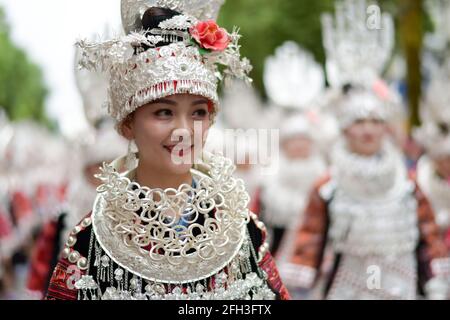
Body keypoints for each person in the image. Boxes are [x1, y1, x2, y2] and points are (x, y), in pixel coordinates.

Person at [46, 0, 289, 300]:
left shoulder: (239, 229)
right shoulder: (91, 240)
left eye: (198, 113)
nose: (184, 130)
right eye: (164, 112)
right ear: (127, 124)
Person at [285, 0, 450, 300]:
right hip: (345, 287)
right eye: (359, 121)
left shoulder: (406, 184)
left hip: (402, 286)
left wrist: (437, 284)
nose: (368, 130)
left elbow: (429, 238)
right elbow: (309, 241)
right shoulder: (328, 187)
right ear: (345, 128)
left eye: (375, 121)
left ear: (385, 127)